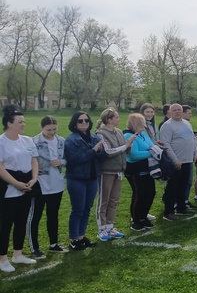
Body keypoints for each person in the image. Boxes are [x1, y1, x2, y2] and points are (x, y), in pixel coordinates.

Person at [0, 105, 39, 272]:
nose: (23, 124)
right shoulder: (1, 142)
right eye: (20, 122)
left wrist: (34, 179)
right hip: (9, 187)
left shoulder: (28, 141)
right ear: (10, 123)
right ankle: (2, 258)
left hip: (27, 186)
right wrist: (16, 183)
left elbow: (33, 160)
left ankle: (18, 254)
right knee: (5, 223)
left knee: (21, 221)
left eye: (24, 121)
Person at [64, 111, 106, 250]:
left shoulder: (94, 137)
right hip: (77, 179)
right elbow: (74, 160)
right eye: (80, 121)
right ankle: (73, 239)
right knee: (78, 209)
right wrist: (94, 151)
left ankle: (81, 236)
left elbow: (103, 156)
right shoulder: (71, 140)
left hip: (92, 178)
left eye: (86, 121)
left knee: (87, 209)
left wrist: (99, 151)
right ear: (74, 124)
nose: (84, 123)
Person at [28, 116, 67, 258]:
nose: (52, 132)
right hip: (39, 184)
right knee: (35, 216)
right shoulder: (33, 142)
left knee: (53, 214)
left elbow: (67, 159)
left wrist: (61, 162)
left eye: (54, 129)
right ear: (42, 128)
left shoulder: (61, 141)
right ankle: (35, 248)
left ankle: (53, 243)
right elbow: (26, 158)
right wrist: (31, 169)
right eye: (48, 130)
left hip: (56, 183)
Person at [95, 108, 136, 241]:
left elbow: (124, 149)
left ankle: (110, 226)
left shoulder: (118, 132)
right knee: (104, 200)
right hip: (106, 171)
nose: (119, 119)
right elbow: (108, 152)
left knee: (114, 200)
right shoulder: (100, 134)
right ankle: (101, 229)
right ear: (109, 120)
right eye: (117, 117)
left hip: (118, 170)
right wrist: (125, 146)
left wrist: (129, 145)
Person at [158, 104, 197, 221]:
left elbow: (192, 140)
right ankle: (169, 211)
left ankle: (181, 207)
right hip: (176, 161)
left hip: (187, 160)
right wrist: (174, 159)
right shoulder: (167, 126)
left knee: (183, 185)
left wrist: (195, 154)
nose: (177, 112)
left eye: (179, 110)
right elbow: (166, 144)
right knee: (172, 187)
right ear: (170, 112)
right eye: (174, 110)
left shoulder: (187, 123)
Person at [123, 114, 157, 231]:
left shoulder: (143, 133)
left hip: (147, 169)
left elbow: (151, 145)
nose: (144, 125)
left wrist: (152, 150)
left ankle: (143, 216)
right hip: (134, 171)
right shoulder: (128, 135)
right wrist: (152, 152)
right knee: (139, 194)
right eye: (142, 123)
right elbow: (134, 155)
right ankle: (136, 220)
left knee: (150, 193)